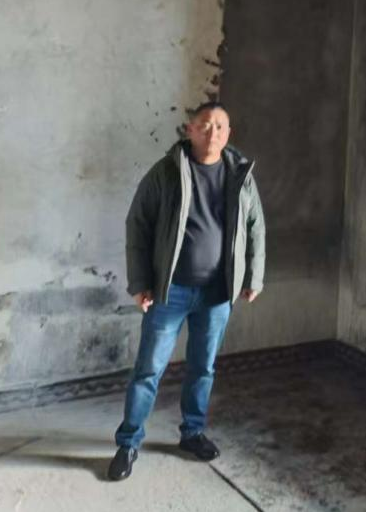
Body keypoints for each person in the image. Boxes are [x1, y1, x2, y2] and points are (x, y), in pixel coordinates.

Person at [106, 101, 266, 481]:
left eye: (221, 126)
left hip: (216, 293)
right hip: (170, 291)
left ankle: (192, 433)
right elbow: (138, 224)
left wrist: (253, 276)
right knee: (149, 370)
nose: (213, 132)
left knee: (203, 368)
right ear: (190, 130)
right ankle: (128, 443)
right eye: (205, 125)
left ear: (229, 134)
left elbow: (255, 226)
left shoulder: (239, 175)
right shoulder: (166, 172)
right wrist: (140, 283)